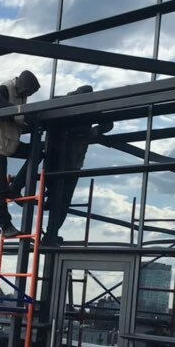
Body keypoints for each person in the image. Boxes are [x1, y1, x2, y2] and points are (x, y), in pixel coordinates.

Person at [43, 85, 112, 245]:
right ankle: (50, 233)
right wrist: (88, 131)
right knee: (58, 199)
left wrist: (96, 130)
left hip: (71, 162)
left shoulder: (91, 108)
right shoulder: (63, 103)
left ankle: (51, 233)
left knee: (62, 200)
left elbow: (108, 123)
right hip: (58, 161)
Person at [0, 70, 40, 238]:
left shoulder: (21, 94)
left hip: (8, 142)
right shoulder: (6, 88)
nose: (27, 95)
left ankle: (15, 187)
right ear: (23, 86)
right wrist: (14, 112)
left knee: (37, 153)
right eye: (28, 92)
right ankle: (6, 226)